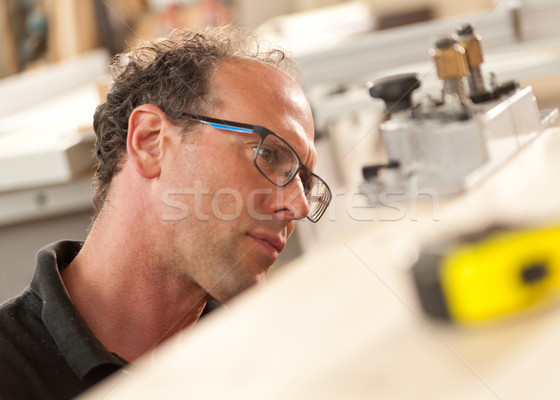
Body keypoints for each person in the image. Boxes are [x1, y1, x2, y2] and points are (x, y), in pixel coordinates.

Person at [0, 25, 331, 399]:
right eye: (268, 155)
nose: (298, 206)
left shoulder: (274, 358)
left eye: (304, 181)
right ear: (150, 142)